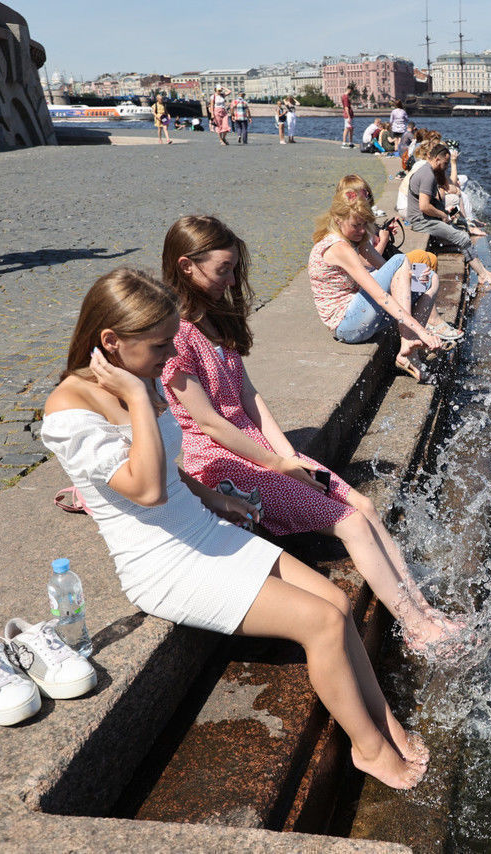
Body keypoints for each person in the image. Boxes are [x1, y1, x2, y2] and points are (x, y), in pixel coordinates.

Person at [41, 268, 428, 790]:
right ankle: (369, 748)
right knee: (320, 623)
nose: (167, 356)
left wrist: (213, 496)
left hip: (204, 530)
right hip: (164, 565)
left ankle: (384, 720)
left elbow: (172, 474)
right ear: (111, 340)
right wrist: (136, 397)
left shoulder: (139, 374)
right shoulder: (71, 408)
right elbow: (147, 488)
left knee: (336, 604)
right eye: (158, 345)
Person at [157, 215, 465, 651]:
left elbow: (249, 398)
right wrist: (278, 464)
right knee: (352, 523)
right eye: (223, 269)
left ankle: (422, 608)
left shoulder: (216, 319)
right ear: (187, 266)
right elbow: (209, 423)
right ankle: (416, 630)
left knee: (363, 503)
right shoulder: (175, 338)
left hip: (258, 449)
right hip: (221, 462)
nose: (230, 280)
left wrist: (290, 457)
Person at [310, 185, 458, 383]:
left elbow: (387, 269)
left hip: (360, 316)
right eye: (356, 225)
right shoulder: (338, 247)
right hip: (346, 325)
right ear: (338, 220)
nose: (362, 231)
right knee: (400, 260)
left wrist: (414, 278)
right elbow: (380, 294)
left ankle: (410, 354)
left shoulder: (355, 238)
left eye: (364, 225)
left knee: (429, 277)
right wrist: (422, 331)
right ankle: (408, 341)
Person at [406, 143, 491, 288]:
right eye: (445, 163)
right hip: (422, 221)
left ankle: (483, 271)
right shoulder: (427, 175)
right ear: (437, 159)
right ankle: (482, 275)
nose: (446, 167)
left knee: (461, 230)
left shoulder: (429, 171)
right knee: (463, 238)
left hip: (425, 219)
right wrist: (443, 215)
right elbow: (424, 206)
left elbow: (443, 190)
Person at [340, 83, 355, 148]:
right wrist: (349, 117)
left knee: (351, 129)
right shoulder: (345, 97)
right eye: (351, 91)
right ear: (350, 90)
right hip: (347, 115)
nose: (351, 92)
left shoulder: (344, 96)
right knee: (347, 128)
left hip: (349, 114)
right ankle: (344, 143)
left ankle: (350, 143)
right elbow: (346, 107)